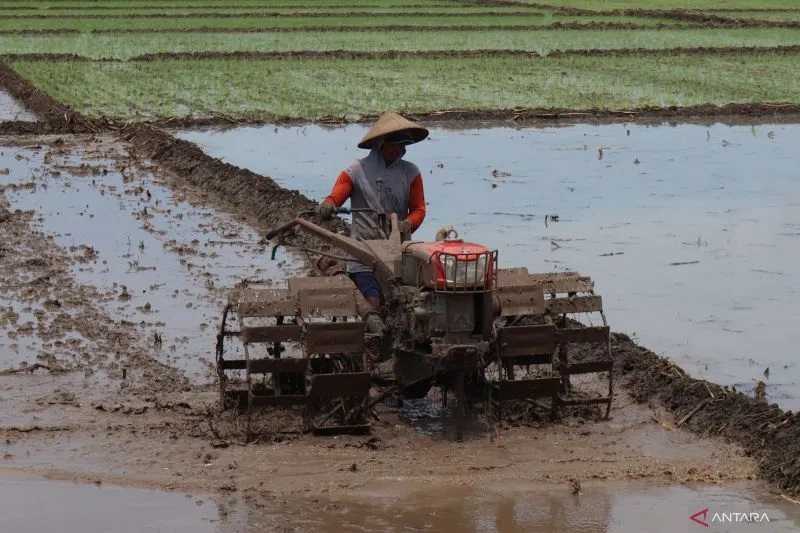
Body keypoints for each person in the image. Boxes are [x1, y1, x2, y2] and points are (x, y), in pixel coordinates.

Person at [315, 111, 428, 310]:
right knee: (373, 303)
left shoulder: (411, 172)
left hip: (397, 255)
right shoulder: (356, 170)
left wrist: (408, 223)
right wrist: (329, 204)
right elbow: (337, 195)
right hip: (363, 255)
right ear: (380, 144)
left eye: (401, 145)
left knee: (414, 302)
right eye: (393, 144)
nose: (398, 149)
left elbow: (419, 208)